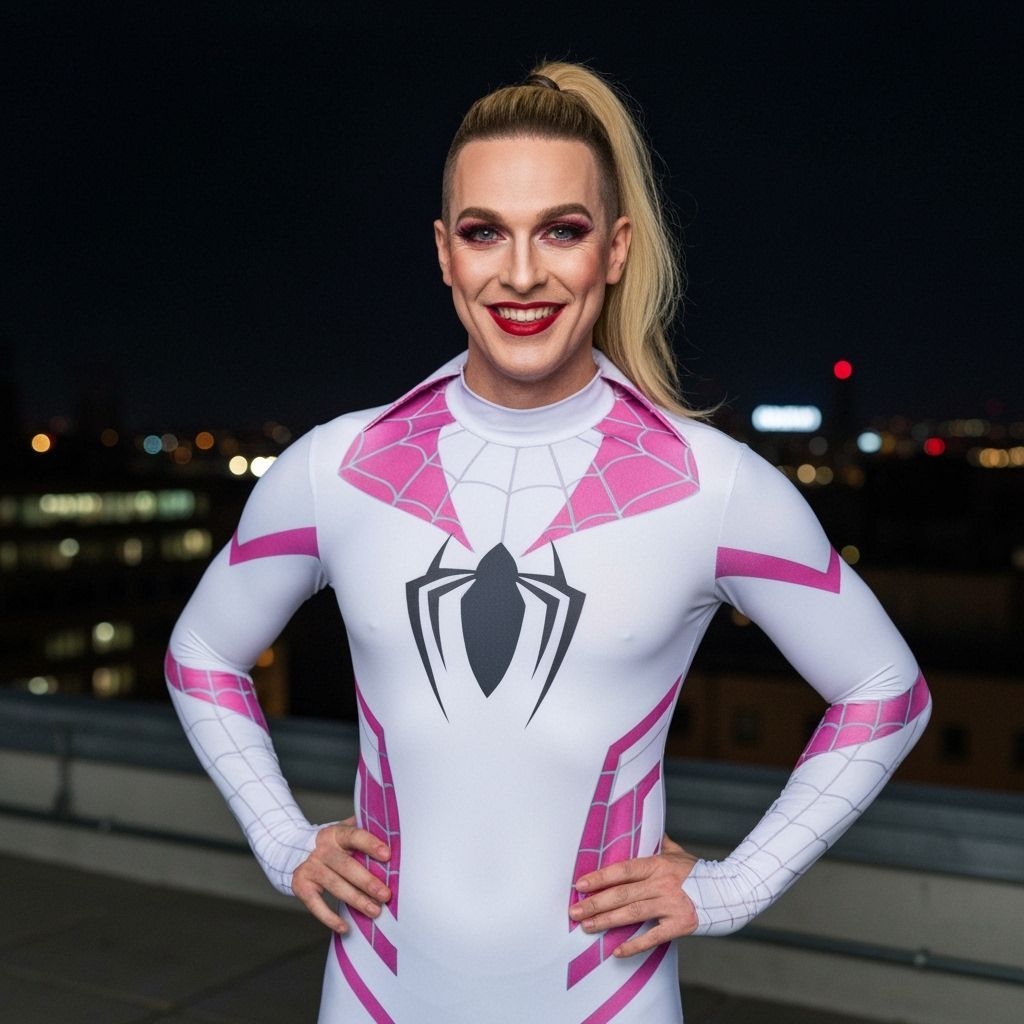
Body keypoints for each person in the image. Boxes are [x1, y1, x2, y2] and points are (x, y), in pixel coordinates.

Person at [165, 61, 931, 1023]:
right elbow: (201, 654)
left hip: (607, 1000)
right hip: (373, 991)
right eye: (486, 232)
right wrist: (282, 840)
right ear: (445, 253)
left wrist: (734, 887)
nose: (520, 274)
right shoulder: (338, 467)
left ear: (613, 250)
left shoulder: (709, 485)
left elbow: (886, 692)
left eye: (559, 231)